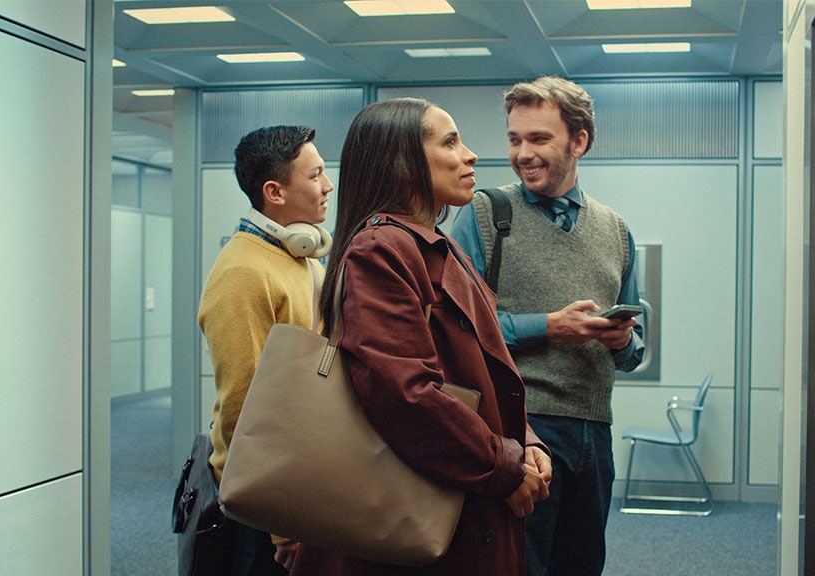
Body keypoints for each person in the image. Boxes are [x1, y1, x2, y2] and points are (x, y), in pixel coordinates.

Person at [295, 97, 552, 576]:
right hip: (423, 508)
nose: (470, 155)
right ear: (403, 163)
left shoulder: (437, 244)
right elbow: (406, 393)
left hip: (463, 490)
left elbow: (487, 371)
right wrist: (504, 464)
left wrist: (526, 442)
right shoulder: (380, 249)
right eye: (450, 142)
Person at [450, 76, 647, 576]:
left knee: (582, 565)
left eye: (538, 139)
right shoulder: (484, 215)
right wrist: (549, 326)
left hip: (593, 434)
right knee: (517, 565)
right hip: (519, 427)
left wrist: (623, 339)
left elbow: (635, 351)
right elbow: (458, 327)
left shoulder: (616, 231)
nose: (523, 154)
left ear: (579, 141)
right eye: (515, 139)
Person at [199, 125, 336, 575]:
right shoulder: (243, 273)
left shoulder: (301, 257)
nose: (328, 185)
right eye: (315, 175)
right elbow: (244, 409)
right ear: (274, 192)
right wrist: (281, 526)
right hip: (263, 505)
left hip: (297, 478)